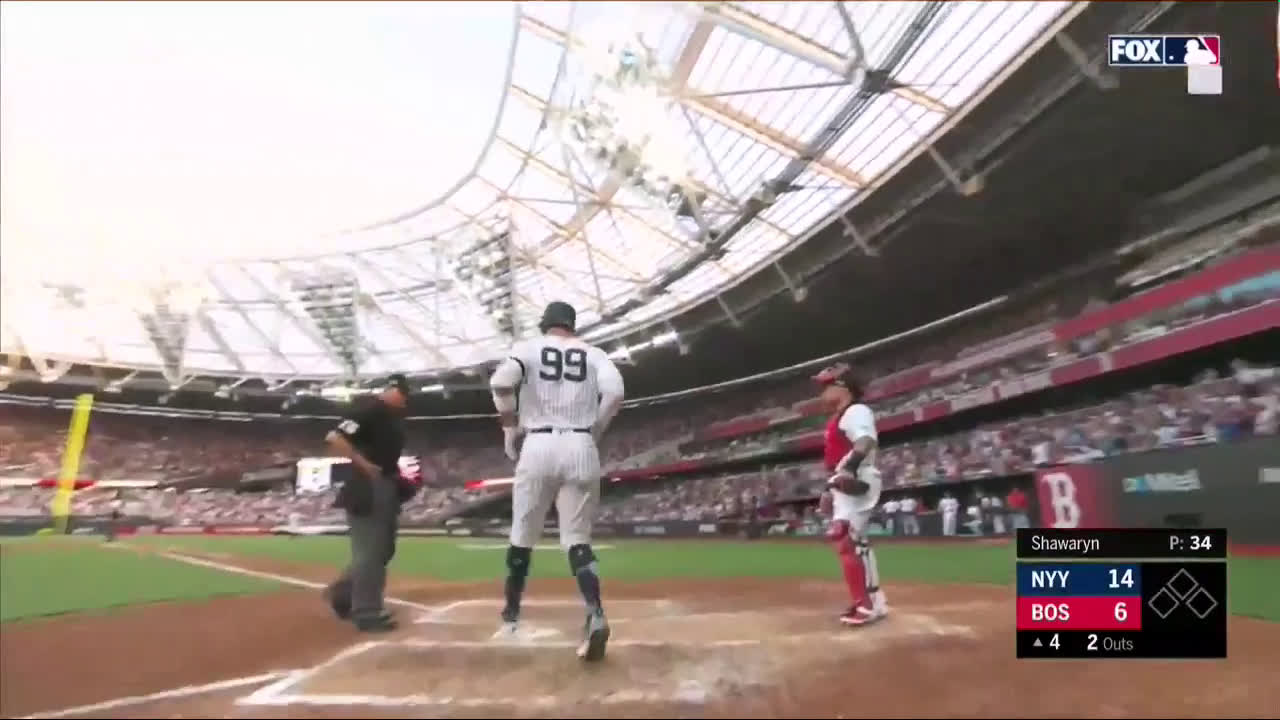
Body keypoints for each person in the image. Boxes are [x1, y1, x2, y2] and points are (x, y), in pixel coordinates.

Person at [488, 301, 625, 662]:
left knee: (522, 534)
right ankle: (595, 612)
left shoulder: (527, 349)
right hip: (581, 444)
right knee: (577, 539)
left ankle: (511, 617)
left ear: (545, 324)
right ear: (572, 324)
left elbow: (501, 382)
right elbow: (615, 394)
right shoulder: (594, 353)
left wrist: (508, 428)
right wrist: (594, 429)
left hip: (538, 443)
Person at [321, 374, 410, 632]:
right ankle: (367, 611)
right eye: (402, 395)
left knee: (383, 549)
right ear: (392, 391)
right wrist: (365, 465)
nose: (404, 402)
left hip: (385, 484)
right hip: (368, 486)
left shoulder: (391, 417)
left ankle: (343, 595)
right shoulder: (371, 410)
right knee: (370, 551)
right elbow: (334, 438)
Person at [814, 360, 888, 627]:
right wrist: (829, 489)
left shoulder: (855, 411)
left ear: (842, 386)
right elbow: (836, 459)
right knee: (857, 543)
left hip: (856, 479)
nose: (821, 393)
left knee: (846, 541)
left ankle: (864, 606)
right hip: (844, 483)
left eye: (826, 386)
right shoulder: (840, 416)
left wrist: (847, 472)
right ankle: (873, 601)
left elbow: (866, 442)